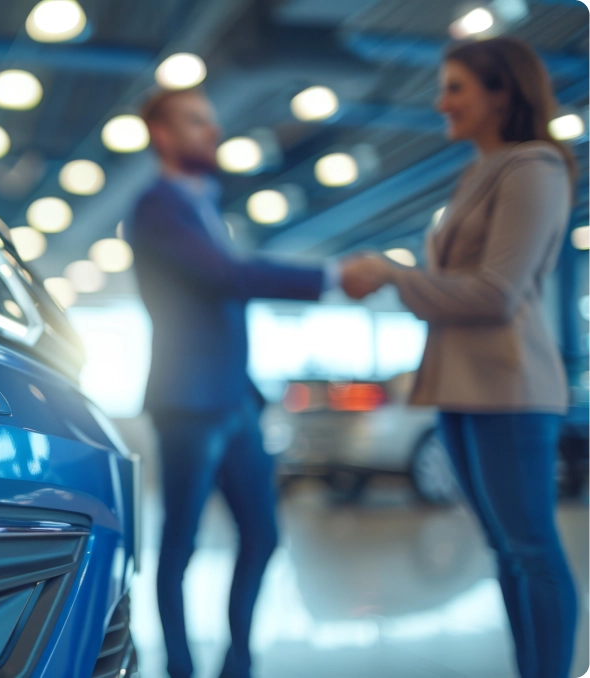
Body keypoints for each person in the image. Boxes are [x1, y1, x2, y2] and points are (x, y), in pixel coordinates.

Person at [342, 37, 578, 678]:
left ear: (502, 94)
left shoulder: (535, 167)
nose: (440, 101)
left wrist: (394, 275)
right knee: (506, 549)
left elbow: (497, 295)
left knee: (531, 547)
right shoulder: (477, 172)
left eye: (455, 88)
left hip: (510, 385)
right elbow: (458, 288)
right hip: (458, 385)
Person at [126, 88, 335, 678]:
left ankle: (238, 663)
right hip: (188, 401)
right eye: (196, 122)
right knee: (181, 547)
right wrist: (333, 276)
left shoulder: (203, 206)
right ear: (162, 135)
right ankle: (181, 668)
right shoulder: (156, 207)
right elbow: (226, 277)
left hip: (235, 399)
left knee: (263, 534)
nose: (211, 132)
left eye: (212, 121)